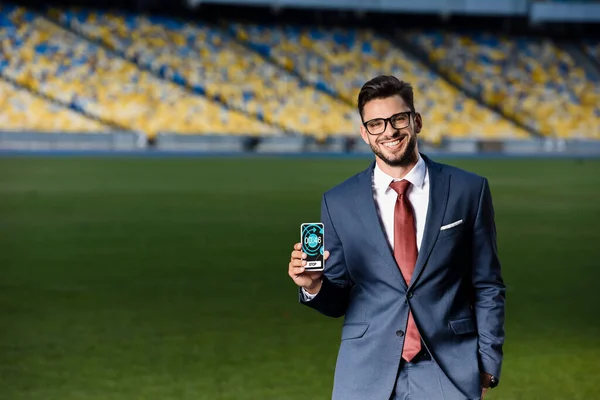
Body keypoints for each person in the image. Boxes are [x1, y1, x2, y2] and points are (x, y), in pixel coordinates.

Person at [287, 75, 505, 400]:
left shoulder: (468, 190)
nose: (388, 131)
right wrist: (313, 285)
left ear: (415, 121)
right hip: (365, 373)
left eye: (398, 119)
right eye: (376, 123)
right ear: (364, 133)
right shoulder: (339, 201)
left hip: (449, 369)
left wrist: (487, 362)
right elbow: (339, 302)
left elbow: (487, 285)